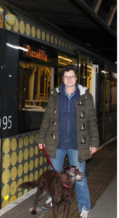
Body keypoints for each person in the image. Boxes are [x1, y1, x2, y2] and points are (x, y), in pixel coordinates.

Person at [37, 65, 99, 218]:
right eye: (66, 77)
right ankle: (53, 198)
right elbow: (47, 119)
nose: (69, 79)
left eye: (71, 77)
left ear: (76, 78)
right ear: (63, 79)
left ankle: (84, 207)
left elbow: (91, 121)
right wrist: (41, 138)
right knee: (55, 176)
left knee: (80, 179)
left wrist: (94, 142)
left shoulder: (85, 96)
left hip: (77, 145)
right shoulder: (55, 95)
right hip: (56, 144)